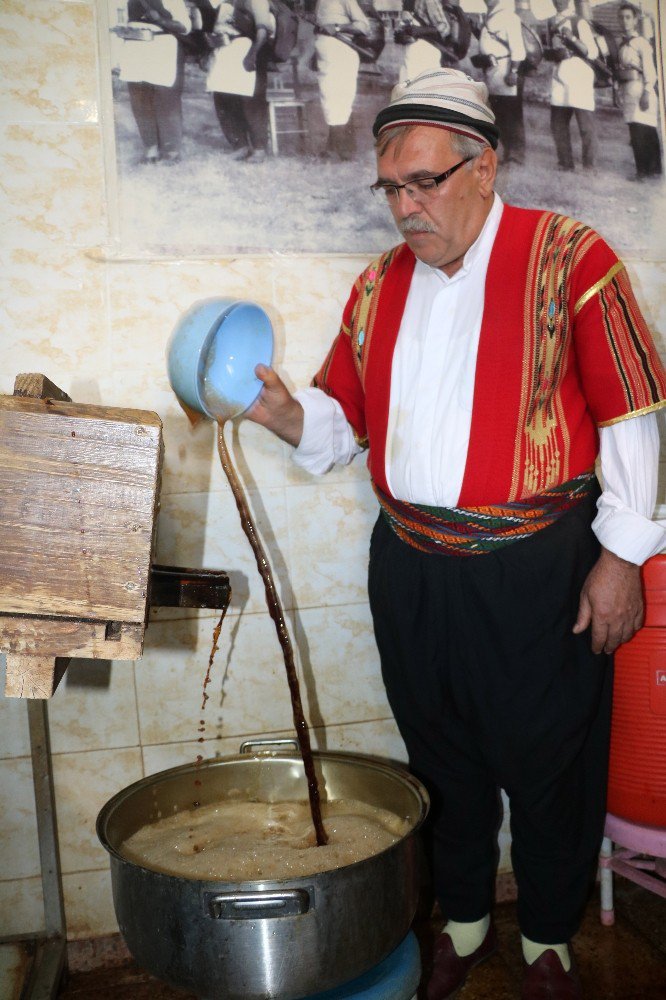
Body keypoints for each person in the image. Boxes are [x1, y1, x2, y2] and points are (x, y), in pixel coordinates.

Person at [246, 67, 666, 1000]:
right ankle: (466, 922)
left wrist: (621, 558)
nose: (403, 208)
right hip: (410, 565)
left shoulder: (572, 258)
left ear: (485, 166)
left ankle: (550, 940)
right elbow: (342, 423)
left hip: (541, 567)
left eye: (423, 183)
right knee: (441, 756)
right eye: (391, 187)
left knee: (550, 762)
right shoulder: (379, 285)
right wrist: (286, 417)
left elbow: (631, 415)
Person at [117, 0, 192, 163]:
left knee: (167, 100)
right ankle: (150, 147)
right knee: (140, 101)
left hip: (162, 48)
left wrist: (160, 20)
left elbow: (185, 27)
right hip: (135, 48)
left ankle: (171, 150)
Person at [205, 0, 274, 163]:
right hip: (223, 52)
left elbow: (262, 31)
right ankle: (240, 146)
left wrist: (252, 55)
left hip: (246, 50)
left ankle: (259, 149)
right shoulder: (222, 2)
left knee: (251, 103)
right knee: (223, 100)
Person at [313, 0, 370, 160]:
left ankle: (340, 151)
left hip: (341, 53)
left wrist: (338, 27)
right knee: (331, 101)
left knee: (338, 100)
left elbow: (363, 25)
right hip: (326, 57)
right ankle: (340, 149)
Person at [546, 0, 598, 172]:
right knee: (558, 123)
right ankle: (565, 164)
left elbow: (592, 52)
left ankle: (589, 167)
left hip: (579, 73)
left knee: (585, 125)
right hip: (559, 73)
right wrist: (554, 53)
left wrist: (572, 38)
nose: (559, 1)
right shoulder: (551, 21)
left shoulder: (578, 21)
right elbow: (548, 50)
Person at [616, 2, 662, 181]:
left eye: (628, 17)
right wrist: (619, 91)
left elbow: (650, 70)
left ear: (635, 20)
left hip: (642, 88)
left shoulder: (642, 43)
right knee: (636, 130)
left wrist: (647, 92)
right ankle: (646, 171)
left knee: (645, 131)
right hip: (628, 89)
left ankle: (649, 171)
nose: (624, 21)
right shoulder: (621, 44)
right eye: (621, 17)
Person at [477, 0, 526, 164]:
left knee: (511, 114)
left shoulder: (509, 17)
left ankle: (516, 156)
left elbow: (518, 49)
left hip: (505, 69)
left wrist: (513, 72)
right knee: (497, 114)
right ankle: (504, 152)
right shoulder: (487, 17)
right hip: (491, 70)